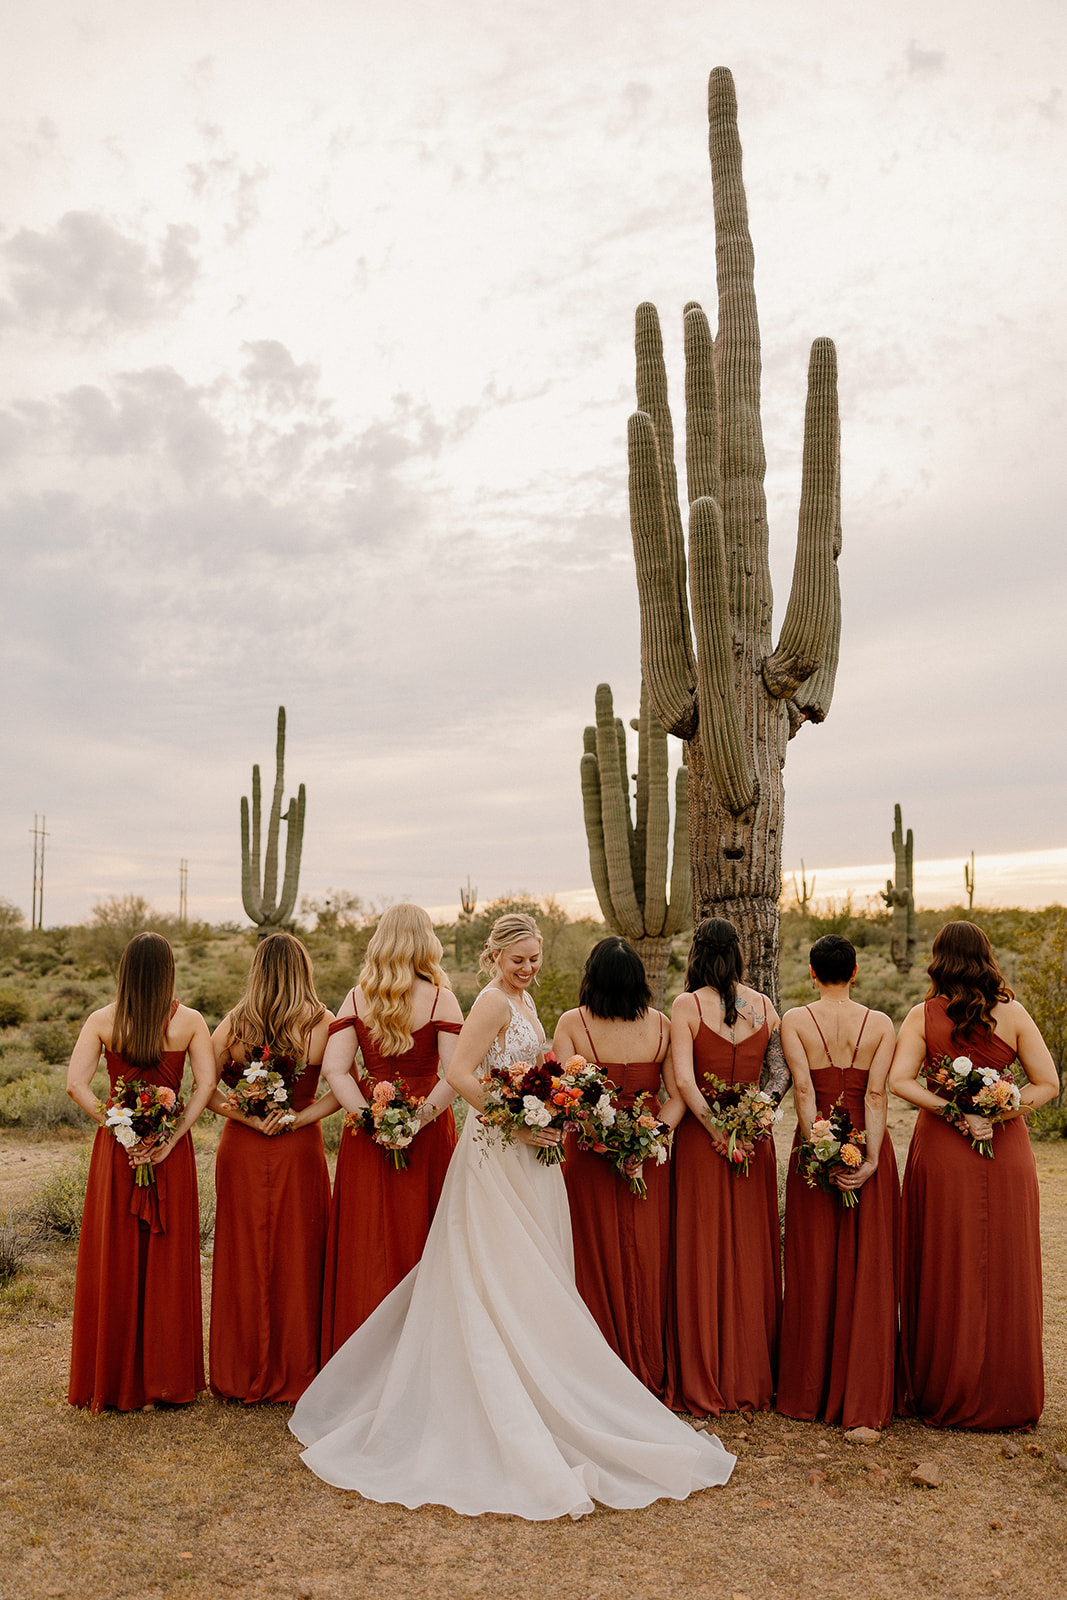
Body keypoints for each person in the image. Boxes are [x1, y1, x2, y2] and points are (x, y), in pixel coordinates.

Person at [290, 912, 734, 1520]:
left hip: (535, 1151)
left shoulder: (524, 1004)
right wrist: (514, 1120)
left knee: (534, 1267)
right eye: (518, 959)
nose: (528, 969)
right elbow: (458, 1073)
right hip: (498, 1152)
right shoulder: (494, 1004)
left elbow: (532, 1072)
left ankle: (540, 1377)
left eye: (535, 959)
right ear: (495, 957)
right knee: (493, 1266)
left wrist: (552, 1107)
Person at [889, 920, 1057, 1430]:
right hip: (1005, 1152)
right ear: (985, 957)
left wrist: (952, 1111)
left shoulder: (922, 1015)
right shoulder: (1015, 1013)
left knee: (945, 1256)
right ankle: (1006, 1393)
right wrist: (1000, 1110)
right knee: (1004, 1259)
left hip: (943, 1149)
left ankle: (943, 1386)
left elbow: (900, 1081)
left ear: (938, 960)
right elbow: (1048, 1083)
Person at [67, 932, 215, 1411]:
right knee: (168, 1258)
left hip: (118, 1153)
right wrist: (168, 1139)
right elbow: (207, 1085)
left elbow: (76, 1085)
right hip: (169, 1155)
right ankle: (165, 1380)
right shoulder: (190, 1021)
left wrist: (121, 1127)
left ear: (125, 970)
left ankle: (117, 1379)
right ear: (169, 970)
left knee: (118, 1253)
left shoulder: (103, 1019)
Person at [316, 904, 462, 1359]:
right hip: (429, 1128)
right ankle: (425, 1352)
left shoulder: (356, 999)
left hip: (368, 1133)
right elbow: (454, 1075)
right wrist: (415, 1123)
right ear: (426, 942)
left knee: (369, 1237)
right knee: (423, 1232)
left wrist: (372, 1119)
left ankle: (364, 1352)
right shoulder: (441, 998)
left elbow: (336, 1071)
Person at [666, 917, 789, 1416]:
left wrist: (717, 1131)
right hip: (754, 1143)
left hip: (703, 1143)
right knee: (750, 1248)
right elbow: (778, 1072)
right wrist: (756, 1117)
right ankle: (751, 1372)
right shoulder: (763, 1005)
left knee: (703, 1246)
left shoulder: (685, 1006)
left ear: (695, 954)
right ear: (738, 954)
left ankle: (708, 1370)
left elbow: (684, 1082)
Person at [553, 935, 685, 1398]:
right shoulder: (663, 1025)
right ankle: (649, 1358)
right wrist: (648, 1142)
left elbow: (568, 1098)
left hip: (591, 1156)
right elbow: (677, 1095)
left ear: (592, 977)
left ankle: (596, 1366)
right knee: (650, 1253)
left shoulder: (573, 1023)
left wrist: (609, 1143)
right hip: (649, 1158)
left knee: (594, 1251)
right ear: (638, 981)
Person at [776, 934, 899, 1430]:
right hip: (869, 1145)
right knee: (866, 1265)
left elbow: (803, 1088)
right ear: (855, 973)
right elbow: (875, 1093)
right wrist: (868, 1159)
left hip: (816, 1145)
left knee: (813, 1261)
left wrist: (819, 1150)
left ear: (811, 972)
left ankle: (809, 1389)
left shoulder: (795, 1020)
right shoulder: (883, 1023)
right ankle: (863, 1386)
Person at [208, 931, 334, 1404]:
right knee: (299, 1255)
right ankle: (297, 1365)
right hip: (297, 1148)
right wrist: (298, 1117)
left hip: (242, 1147)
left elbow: (205, 1090)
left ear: (257, 971)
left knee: (244, 1255)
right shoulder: (323, 1023)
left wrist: (247, 1116)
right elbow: (343, 1089)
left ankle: (239, 1369)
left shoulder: (233, 1025)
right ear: (304, 969)